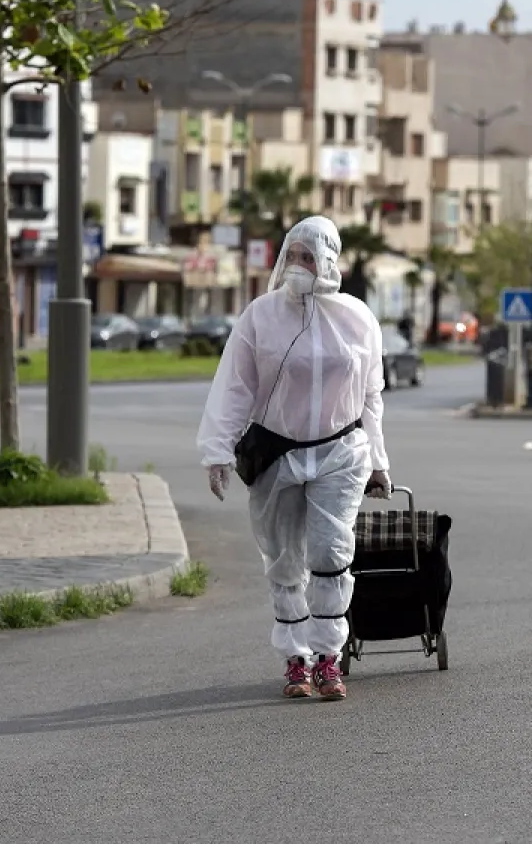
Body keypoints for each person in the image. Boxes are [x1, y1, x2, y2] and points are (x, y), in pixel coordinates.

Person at [197, 216, 391, 701]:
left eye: (309, 257)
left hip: (340, 452)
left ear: (329, 261)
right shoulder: (260, 316)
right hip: (275, 452)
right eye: (293, 256)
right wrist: (217, 452)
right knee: (284, 560)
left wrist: (380, 460)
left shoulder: (358, 318)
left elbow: (371, 395)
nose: (298, 267)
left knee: (330, 553)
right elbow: (234, 387)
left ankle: (328, 657)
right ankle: (295, 660)